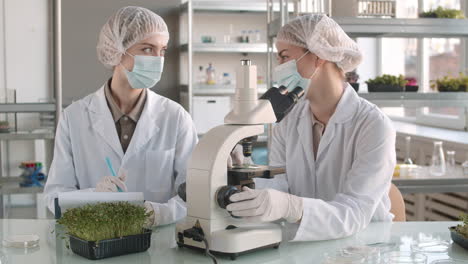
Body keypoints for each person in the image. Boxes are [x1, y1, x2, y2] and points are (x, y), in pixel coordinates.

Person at [226, 14, 396, 241]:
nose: (279, 67)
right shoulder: (288, 118)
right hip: (302, 243)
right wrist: (243, 176)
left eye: (284, 57)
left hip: (363, 244)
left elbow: (354, 212)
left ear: (318, 56)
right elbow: (279, 184)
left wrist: (293, 207)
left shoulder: (373, 125)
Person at [44, 6, 197, 227]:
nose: (158, 59)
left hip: (159, 245)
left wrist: (158, 214)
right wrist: (93, 196)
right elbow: (54, 196)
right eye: (147, 49)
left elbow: (193, 193)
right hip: (97, 244)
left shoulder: (175, 117)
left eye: (162, 50)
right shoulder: (74, 118)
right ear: (117, 50)